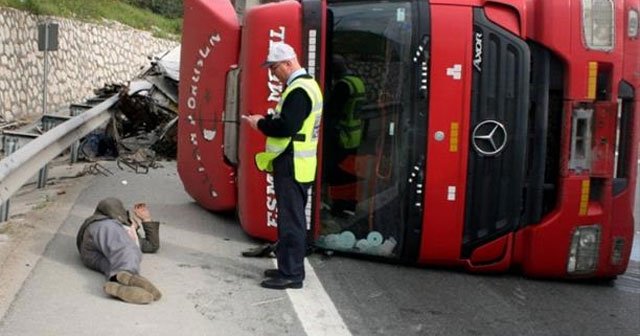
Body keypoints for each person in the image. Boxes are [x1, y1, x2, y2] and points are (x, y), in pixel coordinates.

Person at [242, 42, 323, 290]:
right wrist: (266, 120)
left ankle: (291, 274)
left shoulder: (299, 91)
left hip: (292, 163)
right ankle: (287, 267)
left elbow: (287, 127)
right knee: (291, 219)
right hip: (298, 163)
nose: (272, 74)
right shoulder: (305, 86)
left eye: (274, 68)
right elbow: (287, 121)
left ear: (288, 63)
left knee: (291, 221)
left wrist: (260, 125)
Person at [76, 197, 162, 304]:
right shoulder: (103, 222)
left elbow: (152, 246)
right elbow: (109, 203)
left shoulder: (128, 232)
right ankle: (127, 275)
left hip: (93, 257)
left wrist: (146, 219)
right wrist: (125, 223)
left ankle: (116, 283)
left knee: (116, 262)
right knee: (128, 250)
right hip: (96, 236)